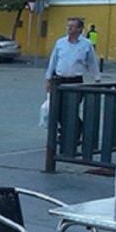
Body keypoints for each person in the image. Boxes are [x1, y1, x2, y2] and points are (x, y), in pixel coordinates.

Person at [45, 17, 100, 148]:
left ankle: (71, 135)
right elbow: (53, 60)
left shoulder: (86, 44)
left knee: (70, 110)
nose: (69, 28)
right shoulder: (60, 43)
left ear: (80, 29)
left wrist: (97, 77)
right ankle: (70, 130)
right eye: (68, 26)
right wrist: (48, 79)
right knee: (56, 110)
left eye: (72, 26)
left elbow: (92, 62)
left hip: (76, 81)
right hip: (59, 80)